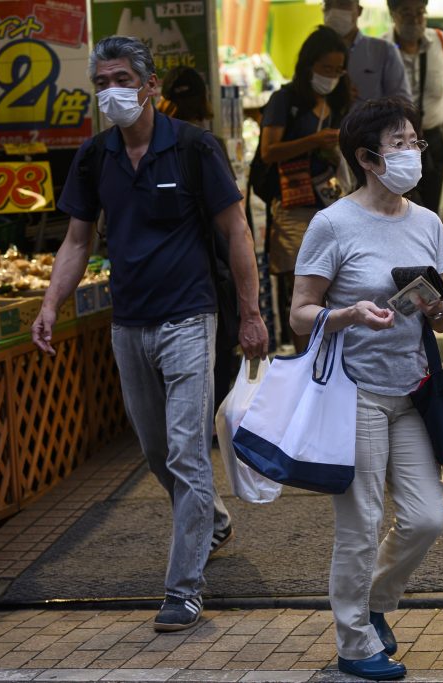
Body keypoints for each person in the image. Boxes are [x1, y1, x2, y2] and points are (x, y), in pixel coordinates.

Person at [31, 36, 269, 631]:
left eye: (121, 78)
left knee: (188, 451)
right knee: (156, 451)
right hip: (128, 324)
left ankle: (183, 588)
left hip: (190, 317)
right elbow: (78, 241)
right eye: (102, 81)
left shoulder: (193, 148)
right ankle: (211, 521)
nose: (111, 91)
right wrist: (51, 302)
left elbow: (236, 231)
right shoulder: (95, 157)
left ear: (150, 85)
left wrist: (250, 312)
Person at [290, 96, 443, 682]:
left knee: (427, 517)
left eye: (415, 142)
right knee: (359, 524)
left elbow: (441, 318)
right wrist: (349, 314)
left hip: (411, 391)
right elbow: (300, 314)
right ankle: (355, 640)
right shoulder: (332, 223)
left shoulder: (429, 223)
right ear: (366, 157)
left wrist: (437, 310)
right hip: (352, 393)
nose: (412, 152)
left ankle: (377, 603)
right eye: (399, 144)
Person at [260, 27, 351, 349]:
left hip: (333, 204)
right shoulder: (284, 100)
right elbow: (268, 151)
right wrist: (312, 142)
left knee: (336, 287)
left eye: (338, 70)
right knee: (301, 289)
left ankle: (333, 358)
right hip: (293, 206)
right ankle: (305, 360)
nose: (332, 76)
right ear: (308, 64)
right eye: (326, 69)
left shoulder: (339, 102)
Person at [158, 65, 241, 413]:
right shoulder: (210, 143)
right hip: (209, 266)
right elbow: (233, 219)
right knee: (219, 349)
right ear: (206, 99)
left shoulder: (153, 144)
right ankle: (215, 416)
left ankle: (190, 416)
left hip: (165, 268)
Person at [386, 0, 443, 215]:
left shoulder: (440, 41)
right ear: (393, 14)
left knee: (431, 208)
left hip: (433, 141)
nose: (415, 18)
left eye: (420, 12)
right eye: (406, 12)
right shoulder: (382, 48)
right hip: (394, 144)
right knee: (400, 208)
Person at [322, 0, 412, 103]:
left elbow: (402, 105)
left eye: (343, 3)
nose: (334, 11)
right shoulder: (314, 51)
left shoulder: (384, 51)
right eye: (328, 5)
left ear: (359, 10)